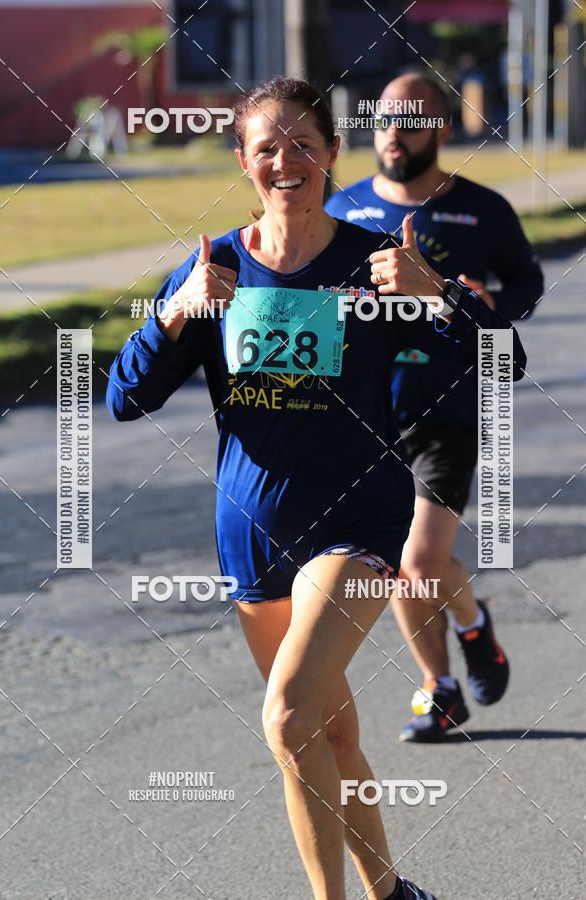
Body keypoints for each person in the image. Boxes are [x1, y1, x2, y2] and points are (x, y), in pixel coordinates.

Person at [107, 77, 526, 900]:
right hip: (251, 538)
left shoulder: (374, 268)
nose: (285, 160)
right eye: (266, 146)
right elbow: (126, 397)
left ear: (334, 152)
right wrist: (174, 317)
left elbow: (504, 363)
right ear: (243, 162)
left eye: (302, 142)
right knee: (327, 739)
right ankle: (392, 893)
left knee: (286, 718)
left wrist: (435, 297)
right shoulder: (215, 268)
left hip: (357, 525)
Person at [326, 73, 543, 743]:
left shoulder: (482, 208)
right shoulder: (346, 207)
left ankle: (456, 655)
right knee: (407, 559)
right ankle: (449, 676)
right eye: (384, 120)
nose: (394, 132)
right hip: (367, 414)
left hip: (446, 408)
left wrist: (482, 302)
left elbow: (527, 283)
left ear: (441, 129)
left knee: (417, 562)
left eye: (411, 120)